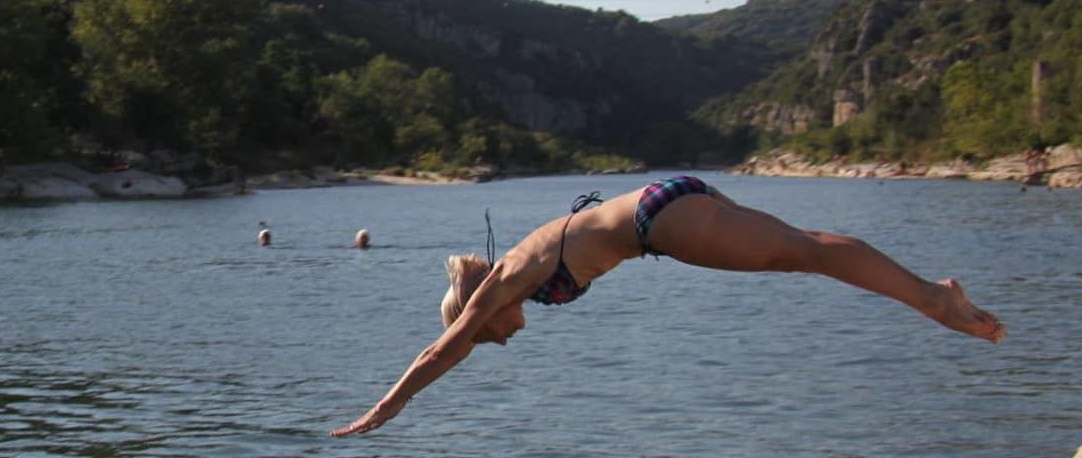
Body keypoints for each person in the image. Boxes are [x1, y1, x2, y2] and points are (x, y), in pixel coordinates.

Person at [331, 175, 1005, 438]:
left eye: (485, 336)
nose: (498, 339)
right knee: (801, 251)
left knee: (805, 253)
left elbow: (437, 349)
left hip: (659, 223)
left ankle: (934, 298)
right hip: (664, 205)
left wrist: (383, 408)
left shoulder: (498, 282)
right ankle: (930, 296)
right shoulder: (518, 271)